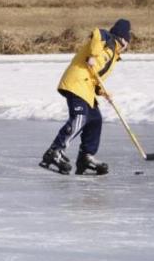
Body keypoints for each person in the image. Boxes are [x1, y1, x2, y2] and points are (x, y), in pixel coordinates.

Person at [39, 19, 131, 175]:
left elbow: (96, 76)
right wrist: (94, 55)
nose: (128, 46)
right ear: (123, 39)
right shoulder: (108, 40)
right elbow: (97, 33)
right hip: (77, 82)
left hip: (87, 88)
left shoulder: (113, 55)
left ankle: (85, 158)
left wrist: (102, 91)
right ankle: (55, 151)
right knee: (80, 117)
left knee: (95, 120)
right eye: (128, 41)